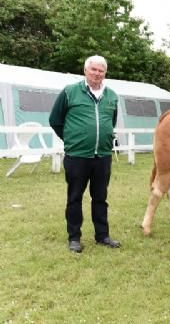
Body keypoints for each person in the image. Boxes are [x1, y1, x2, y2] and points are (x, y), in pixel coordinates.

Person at [49, 55, 121, 253]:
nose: (97, 74)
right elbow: (55, 120)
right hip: (77, 156)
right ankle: (74, 238)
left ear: (105, 73)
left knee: (100, 198)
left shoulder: (112, 96)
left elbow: (110, 122)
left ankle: (102, 236)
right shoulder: (70, 92)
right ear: (85, 71)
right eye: (94, 70)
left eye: (101, 71)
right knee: (74, 197)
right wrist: (72, 140)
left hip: (103, 156)